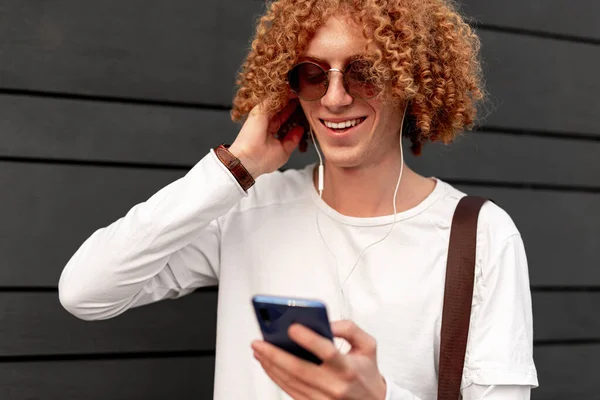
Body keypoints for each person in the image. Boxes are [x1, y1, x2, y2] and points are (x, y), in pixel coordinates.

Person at [58, 0, 538, 399]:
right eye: (311, 75)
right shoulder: (246, 207)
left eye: (363, 73)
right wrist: (236, 167)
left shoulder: (480, 233)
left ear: (410, 81)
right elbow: (86, 292)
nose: (333, 98)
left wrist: (379, 397)